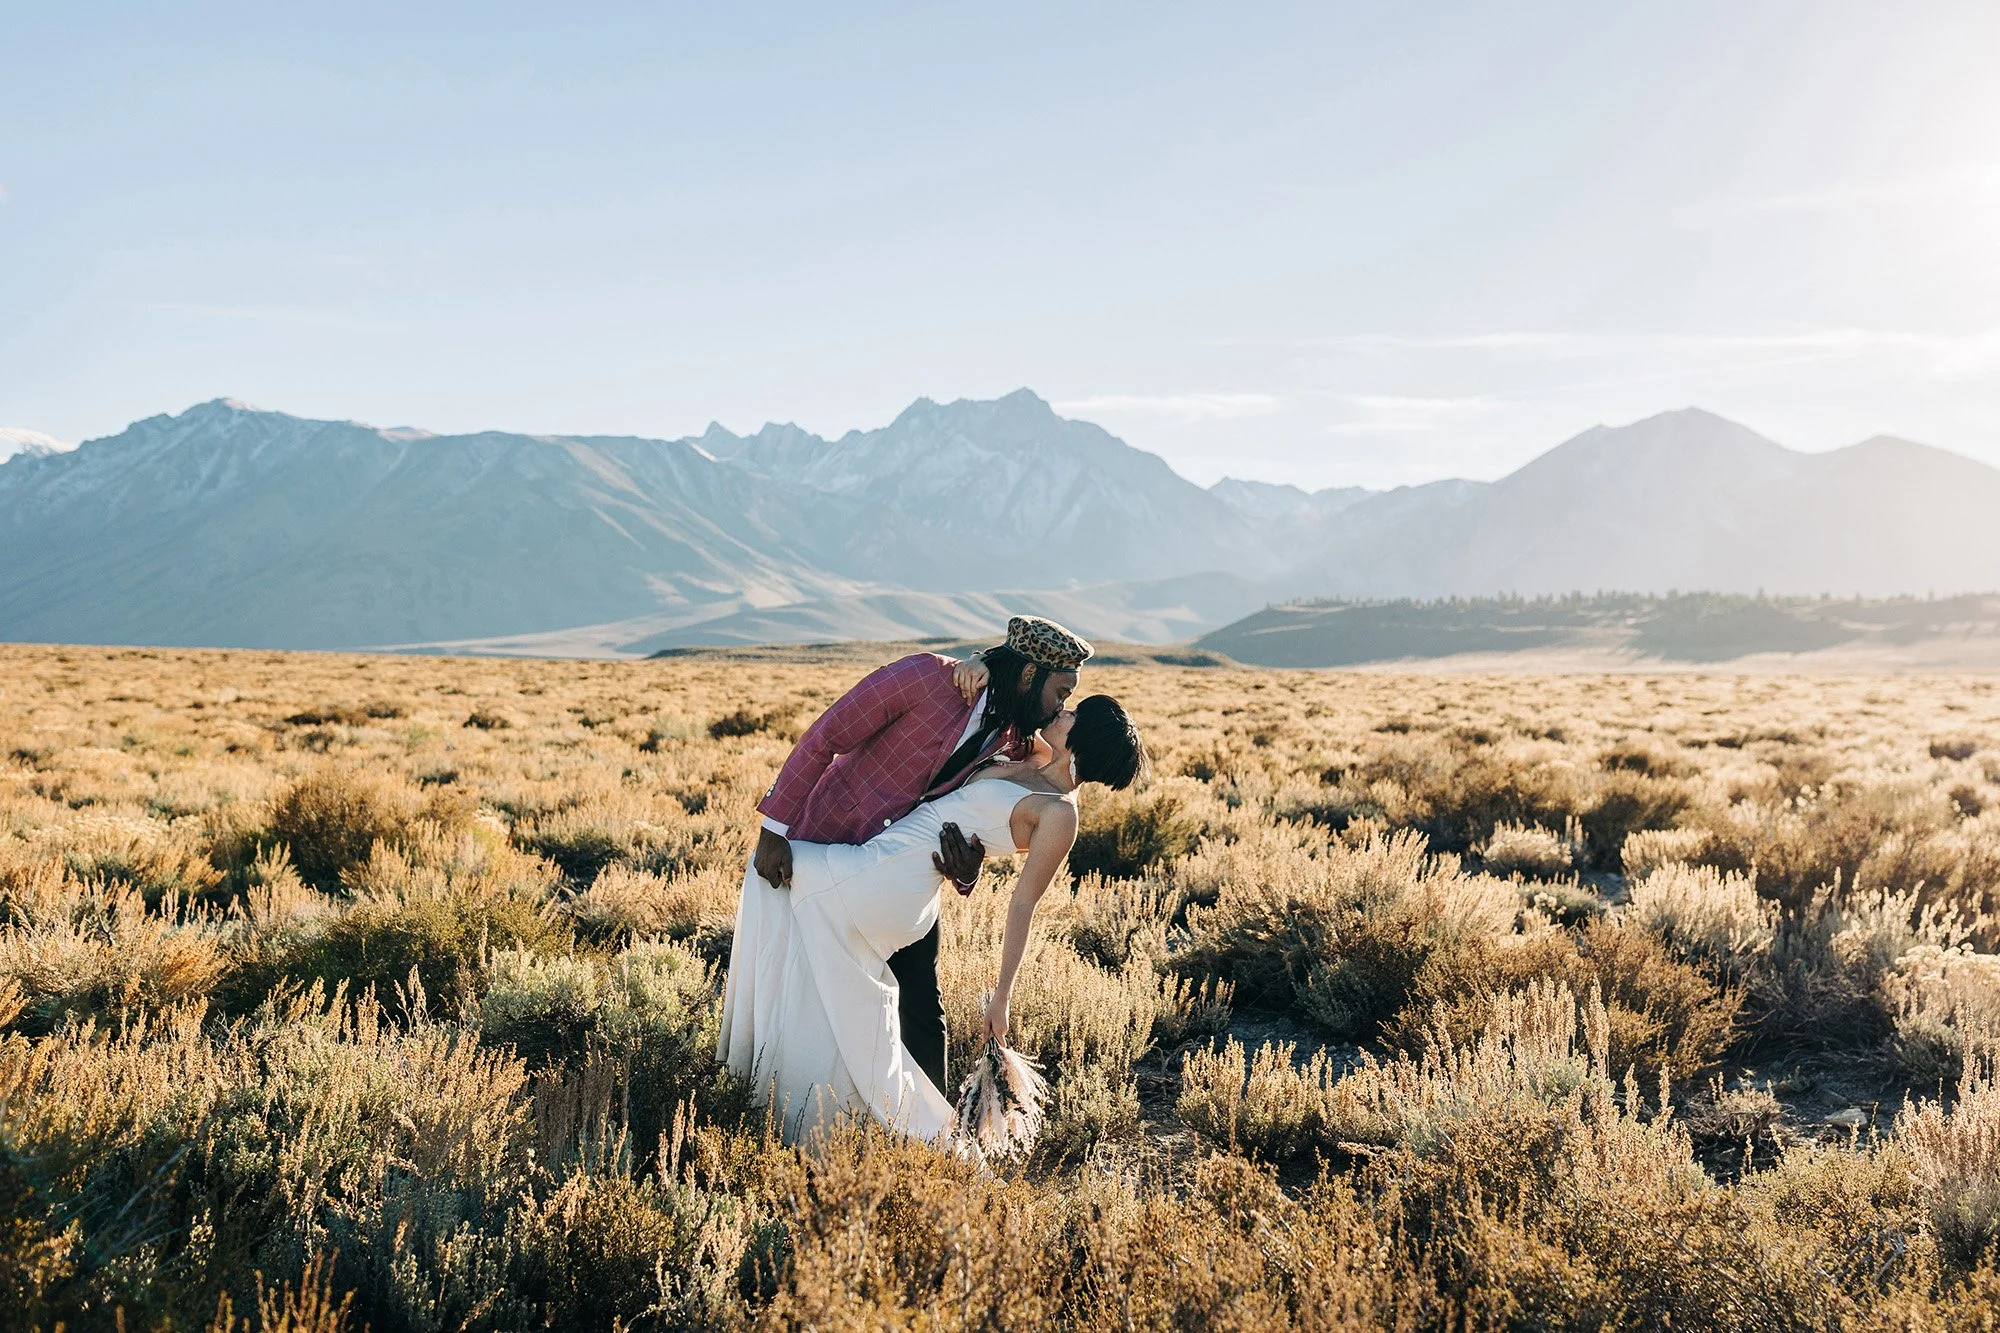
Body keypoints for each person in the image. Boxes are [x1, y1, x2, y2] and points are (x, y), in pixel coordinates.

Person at [720, 693, 1145, 1143]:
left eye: (1074, 714)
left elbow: (1022, 905)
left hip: (891, 881)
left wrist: (1002, 997)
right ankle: (821, 1096)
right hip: (886, 861)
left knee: (769, 872)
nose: (1062, 711)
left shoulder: (1060, 815)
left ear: (1084, 740)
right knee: (813, 964)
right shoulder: (1035, 755)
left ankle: (801, 1095)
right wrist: (979, 665)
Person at [719, 616, 1091, 1099]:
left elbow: (1006, 807)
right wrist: (774, 830)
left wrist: (967, 871)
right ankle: (773, 1094)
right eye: (1060, 692)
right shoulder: (923, 679)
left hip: (904, 883)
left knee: (921, 1007)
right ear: (1028, 676)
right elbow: (827, 736)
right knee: (800, 982)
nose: (1061, 707)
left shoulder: (1018, 744)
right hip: (825, 845)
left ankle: (932, 1140)